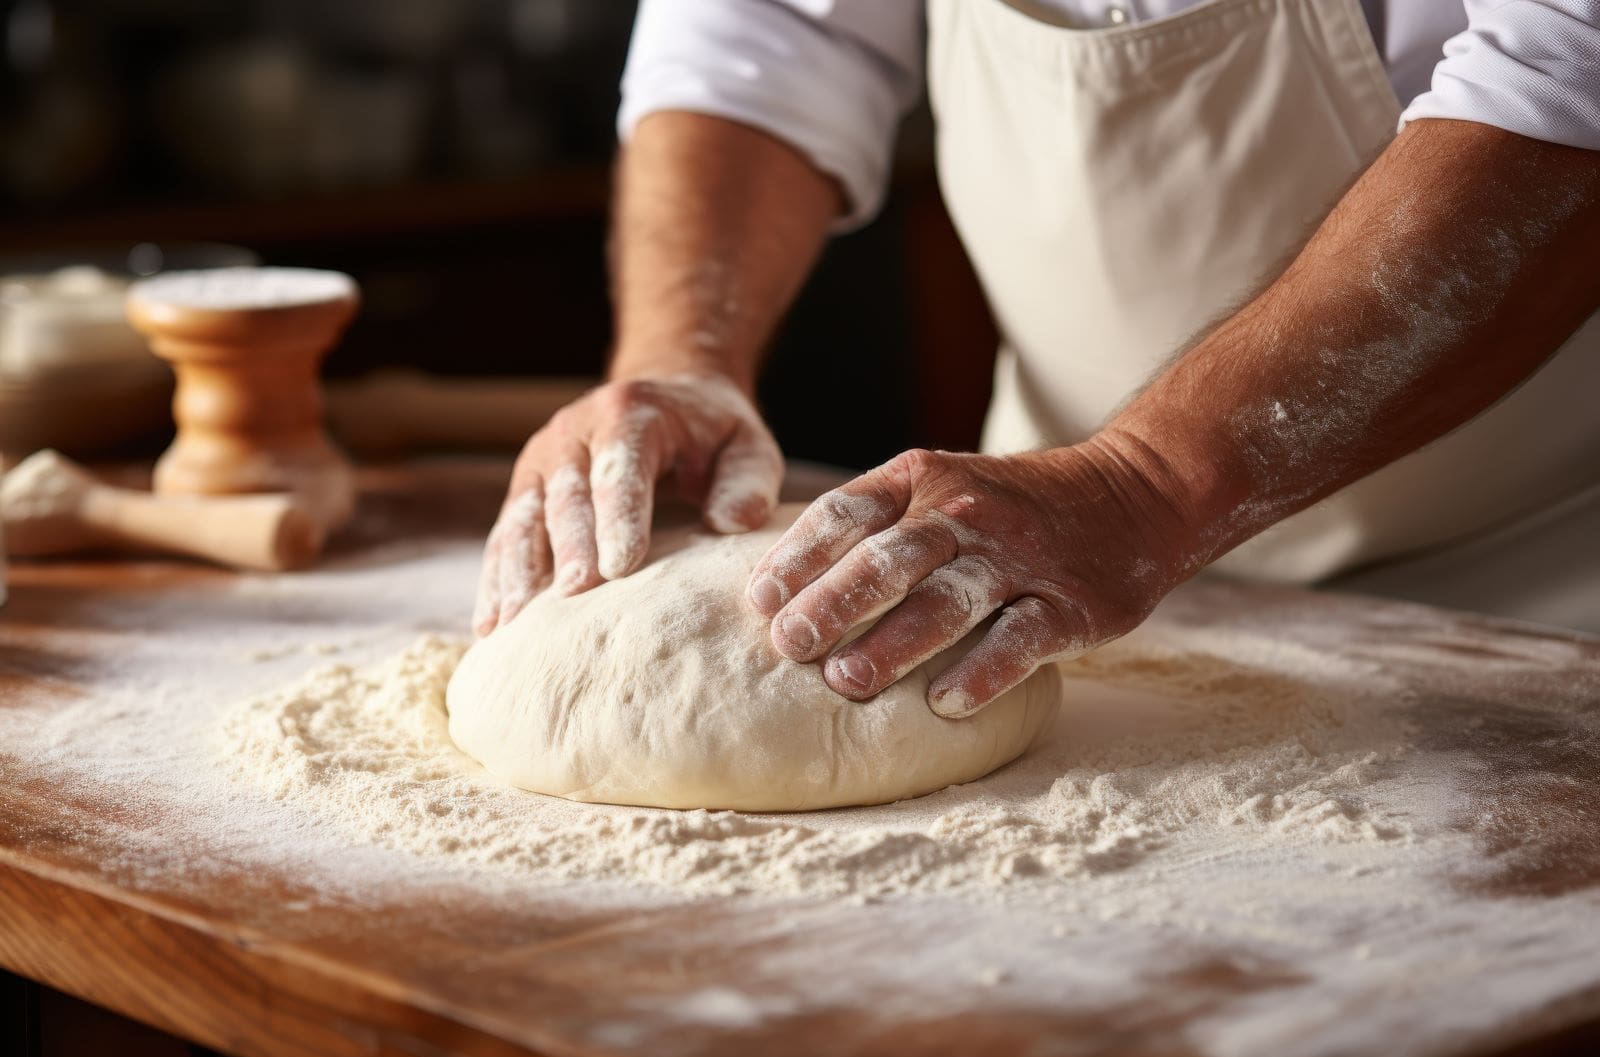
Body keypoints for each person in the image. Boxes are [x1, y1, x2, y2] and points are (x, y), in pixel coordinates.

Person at [476, 0, 1600, 718]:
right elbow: (767, 29)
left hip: (1529, 596)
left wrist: (1146, 483)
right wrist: (686, 349)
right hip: (1024, 586)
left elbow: (1570, 74)